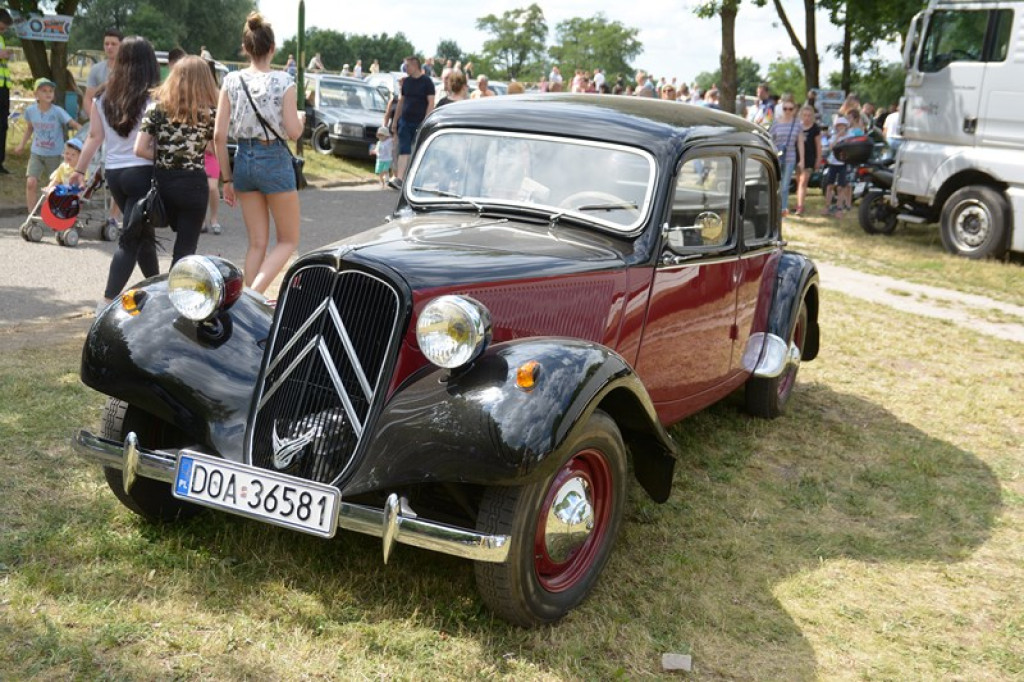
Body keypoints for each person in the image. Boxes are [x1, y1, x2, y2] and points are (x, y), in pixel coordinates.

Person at [69, 36, 161, 315]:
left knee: (144, 235)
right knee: (130, 239)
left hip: (115, 172)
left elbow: (94, 137)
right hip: (142, 172)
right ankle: (106, 303)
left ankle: (158, 292)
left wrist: (78, 170)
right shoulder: (153, 97)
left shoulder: (102, 97)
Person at [215, 12, 303, 295]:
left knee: (256, 243)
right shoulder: (283, 81)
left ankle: (244, 304)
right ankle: (253, 296)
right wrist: (300, 120)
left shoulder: (231, 81)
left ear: (246, 48)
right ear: (272, 48)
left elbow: (218, 135)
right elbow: (294, 132)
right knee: (288, 240)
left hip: (243, 160)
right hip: (274, 158)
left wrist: (226, 181)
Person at [133, 55, 218, 263]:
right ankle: (177, 292)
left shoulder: (156, 109)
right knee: (185, 251)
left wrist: (165, 156)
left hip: (164, 183)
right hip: (195, 184)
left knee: (144, 238)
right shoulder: (210, 114)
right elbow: (214, 149)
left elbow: (139, 149)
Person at [15, 78, 82, 213]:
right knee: (31, 183)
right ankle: (32, 215)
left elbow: (73, 124)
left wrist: (87, 134)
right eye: (44, 91)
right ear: (36, 95)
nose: (48, 93)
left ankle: (53, 214)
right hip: (37, 153)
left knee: (55, 187)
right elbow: (30, 128)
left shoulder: (57, 111)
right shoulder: (30, 111)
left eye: (51, 91)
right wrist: (21, 144)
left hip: (55, 154)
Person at [390, 56, 435, 185]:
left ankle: (415, 181)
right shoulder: (406, 82)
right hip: (405, 121)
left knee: (417, 151)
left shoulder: (427, 82)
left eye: (407, 65)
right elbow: (401, 101)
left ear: (415, 65)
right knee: (404, 149)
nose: (405, 68)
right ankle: (399, 179)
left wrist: (425, 122)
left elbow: (430, 102)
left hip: (419, 122)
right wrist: (395, 121)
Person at [770, 94, 803, 217]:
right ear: (781, 109)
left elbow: (800, 143)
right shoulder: (776, 123)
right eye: (785, 108)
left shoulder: (797, 124)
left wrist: (802, 160)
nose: (788, 111)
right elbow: (770, 138)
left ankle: (783, 208)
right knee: (776, 183)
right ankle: (775, 206)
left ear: (794, 110)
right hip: (777, 157)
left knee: (785, 185)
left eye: (790, 109)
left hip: (790, 158)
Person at [83, 29, 123, 118]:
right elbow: (88, 98)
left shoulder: (129, 70)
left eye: (113, 44)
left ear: (122, 46)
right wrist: (95, 120)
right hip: (99, 118)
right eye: (106, 44)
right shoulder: (96, 69)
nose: (109, 47)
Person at [794, 103, 822, 216]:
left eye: (809, 115)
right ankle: (799, 203)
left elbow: (818, 146)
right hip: (798, 158)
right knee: (798, 181)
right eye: (805, 115)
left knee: (803, 181)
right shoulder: (797, 127)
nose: (807, 117)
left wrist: (818, 159)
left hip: (810, 158)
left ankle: (800, 207)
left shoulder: (815, 128)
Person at [822, 116, 851, 215]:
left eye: (842, 126)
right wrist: (838, 137)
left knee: (841, 187)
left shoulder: (849, 137)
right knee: (830, 185)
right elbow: (830, 147)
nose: (840, 128)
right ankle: (827, 206)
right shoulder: (834, 136)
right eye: (839, 126)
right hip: (833, 163)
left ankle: (839, 208)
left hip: (843, 164)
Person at [0, 9, 14, 175]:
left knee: (2, 125)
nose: (3, 31)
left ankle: (0, 161)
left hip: (3, 88)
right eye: (2, 27)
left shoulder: (1, 38)